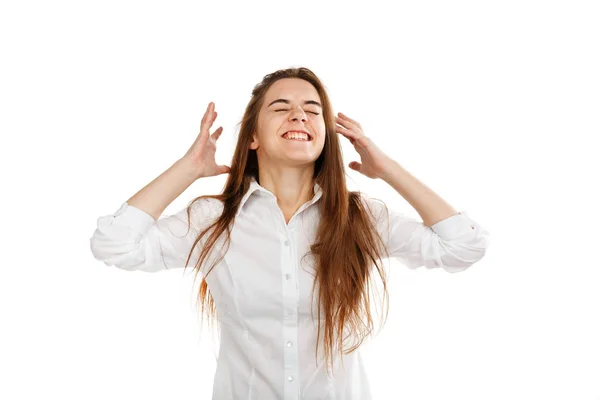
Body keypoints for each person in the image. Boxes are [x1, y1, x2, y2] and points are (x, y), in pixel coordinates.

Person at [90, 67, 490, 400]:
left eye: (312, 110)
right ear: (252, 137)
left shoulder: (359, 217)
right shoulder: (212, 220)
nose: (299, 116)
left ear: (325, 135)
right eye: (281, 108)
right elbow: (115, 243)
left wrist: (387, 169)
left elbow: (463, 246)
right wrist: (189, 168)